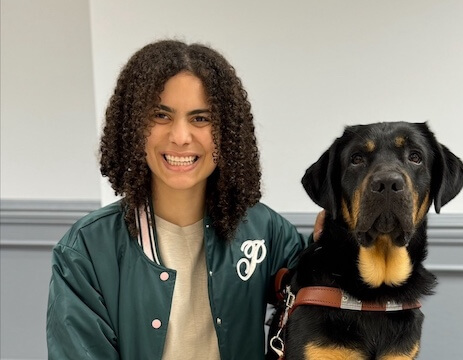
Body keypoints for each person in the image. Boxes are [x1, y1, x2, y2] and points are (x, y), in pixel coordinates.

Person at [46, 39, 315, 360]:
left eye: (200, 118)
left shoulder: (267, 230)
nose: (180, 136)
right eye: (161, 115)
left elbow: (322, 301)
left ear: (227, 131)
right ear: (133, 125)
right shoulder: (87, 248)